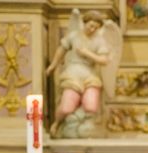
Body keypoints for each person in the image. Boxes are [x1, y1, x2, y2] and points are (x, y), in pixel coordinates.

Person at [45, 9, 118, 137]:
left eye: (96, 27)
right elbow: (61, 50)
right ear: (84, 23)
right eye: (91, 26)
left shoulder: (99, 40)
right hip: (73, 72)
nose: (92, 30)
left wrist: (87, 53)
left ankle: (79, 126)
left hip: (89, 74)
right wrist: (53, 65)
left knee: (91, 106)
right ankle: (57, 123)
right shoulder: (74, 36)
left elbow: (104, 60)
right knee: (66, 107)